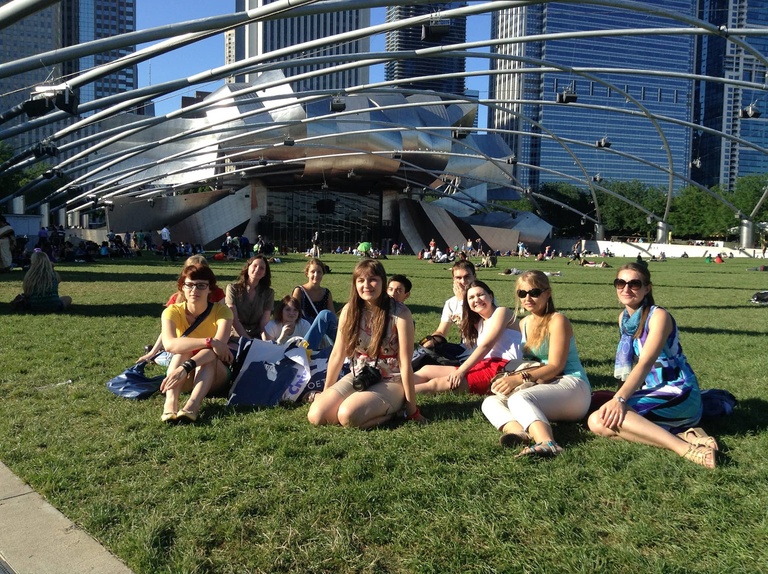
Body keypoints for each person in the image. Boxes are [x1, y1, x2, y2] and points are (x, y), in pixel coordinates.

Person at [587, 263, 716, 469]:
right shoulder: (624, 318)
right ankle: (686, 435)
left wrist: (619, 399)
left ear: (647, 288)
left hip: (679, 390)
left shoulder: (658, 316)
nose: (626, 289)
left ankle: (684, 449)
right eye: (620, 283)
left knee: (599, 420)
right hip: (652, 390)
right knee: (598, 422)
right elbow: (629, 364)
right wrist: (618, 398)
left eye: (634, 284)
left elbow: (646, 362)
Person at [481, 270, 591, 458]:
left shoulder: (558, 320)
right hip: (546, 385)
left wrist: (518, 379)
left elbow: (557, 366)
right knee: (490, 402)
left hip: (572, 386)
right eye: (522, 294)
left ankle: (548, 443)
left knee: (519, 399)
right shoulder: (524, 323)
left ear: (547, 293)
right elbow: (532, 364)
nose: (527, 298)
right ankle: (519, 432)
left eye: (534, 292)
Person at [307, 259, 425, 428]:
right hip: (360, 374)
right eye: (361, 280)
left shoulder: (400, 313)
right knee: (317, 415)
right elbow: (337, 355)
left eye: (373, 279)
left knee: (347, 416)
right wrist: (327, 393)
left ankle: (395, 410)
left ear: (383, 282)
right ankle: (359, 405)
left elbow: (405, 364)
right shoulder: (350, 310)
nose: (367, 285)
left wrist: (412, 409)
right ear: (355, 284)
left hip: (391, 379)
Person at [414, 280, 521, 395]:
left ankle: (397, 395)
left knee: (436, 384)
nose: (476, 300)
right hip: (485, 363)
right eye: (471, 297)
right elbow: (465, 316)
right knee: (427, 370)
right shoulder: (480, 322)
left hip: (504, 368)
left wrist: (461, 371)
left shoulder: (502, 312)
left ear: (490, 296)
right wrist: (462, 299)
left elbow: (486, 345)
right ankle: (395, 384)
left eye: (480, 295)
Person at [159, 265, 233, 423]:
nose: (195, 290)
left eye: (201, 285)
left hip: (214, 376)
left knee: (208, 357)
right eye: (190, 285)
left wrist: (186, 367)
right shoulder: (172, 312)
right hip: (183, 376)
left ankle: (192, 406)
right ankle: (170, 404)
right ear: (182, 288)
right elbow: (169, 344)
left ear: (209, 289)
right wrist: (209, 341)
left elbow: (218, 351)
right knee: (182, 351)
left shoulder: (222, 312)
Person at [138, 255, 226, 364]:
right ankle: (156, 355)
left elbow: (224, 320)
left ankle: (158, 355)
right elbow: (167, 332)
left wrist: (218, 342)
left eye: (201, 271)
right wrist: (152, 353)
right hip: (184, 345)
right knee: (177, 356)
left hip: (209, 346)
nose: (196, 274)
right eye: (192, 271)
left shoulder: (217, 294)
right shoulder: (177, 298)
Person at [420, 260, 476, 360]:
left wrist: (462, 300)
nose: (463, 282)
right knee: (427, 355)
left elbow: (477, 325)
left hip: (482, 349)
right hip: (464, 347)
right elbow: (442, 331)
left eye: (467, 277)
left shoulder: (483, 298)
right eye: (458, 278)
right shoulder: (450, 303)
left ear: (474, 277)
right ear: (453, 279)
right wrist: (431, 340)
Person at [226, 255, 275, 340]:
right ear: (248, 267)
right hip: (236, 334)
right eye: (255, 266)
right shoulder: (232, 288)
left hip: (257, 334)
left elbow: (264, 323)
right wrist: (247, 340)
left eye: (262, 268)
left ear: (264, 273)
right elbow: (234, 320)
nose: (257, 270)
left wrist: (266, 342)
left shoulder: (268, 293)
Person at [292, 258, 337, 349]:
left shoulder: (326, 293)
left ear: (323, 274)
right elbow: (291, 313)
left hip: (324, 334)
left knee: (328, 316)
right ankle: (303, 351)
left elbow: (333, 318)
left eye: (319, 272)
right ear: (307, 273)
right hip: (305, 330)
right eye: (312, 272)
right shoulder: (300, 291)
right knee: (324, 314)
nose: (316, 275)